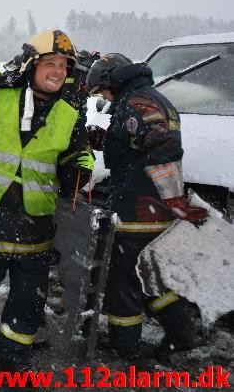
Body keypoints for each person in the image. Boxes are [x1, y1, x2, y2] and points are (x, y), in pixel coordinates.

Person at [0, 29, 93, 372]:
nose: (59, 70)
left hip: (35, 226)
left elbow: (76, 156)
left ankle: (13, 365)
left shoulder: (70, 115)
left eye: (65, 65)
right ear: (31, 64)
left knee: (28, 303)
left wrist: (81, 168)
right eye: (51, 63)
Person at [85, 53, 206, 358]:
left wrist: (174, 198)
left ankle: (123, 345)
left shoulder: (137, 103)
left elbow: (164, 145)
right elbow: (139, 144)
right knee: (151, 278)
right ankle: (182, 335)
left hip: (138, 210)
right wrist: (108, 139)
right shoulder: (149, 98)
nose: (104, 97)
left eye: (103, 91)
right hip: (152, 207)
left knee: (123, 281)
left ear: (112, 79)